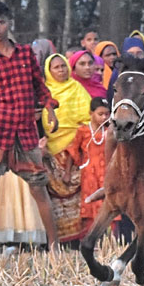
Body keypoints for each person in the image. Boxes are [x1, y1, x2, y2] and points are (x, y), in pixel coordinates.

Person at [0, 1, 59, 260]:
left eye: (1, 23)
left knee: (39, 189)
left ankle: (54, 246)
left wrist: (49, 106)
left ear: (10, 23)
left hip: (26, 133)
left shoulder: (25, 54)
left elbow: (39, 87)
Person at [41, 53, 92, 244]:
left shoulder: (77, 88)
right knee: (54, 200)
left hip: (76, 148)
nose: (61, 70)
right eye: (56, 67)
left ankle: (79, 239)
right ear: (48, 70)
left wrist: (77, 142)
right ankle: (58, 240)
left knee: (76, 199)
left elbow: (88, 118)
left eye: (63, 66)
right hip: (51, 150)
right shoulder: (44, 92)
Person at [66, 97, 111, 232]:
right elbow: (72, 151)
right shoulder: (83, 131)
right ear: (91, 114)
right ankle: (91, 239)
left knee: (111, 204)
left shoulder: (112, 131)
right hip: (89, 175)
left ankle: (112, 241)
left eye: (107, 114)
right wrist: (68, 172)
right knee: (90, 206)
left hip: (108, 173)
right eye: (100, 114)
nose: (104, 118)